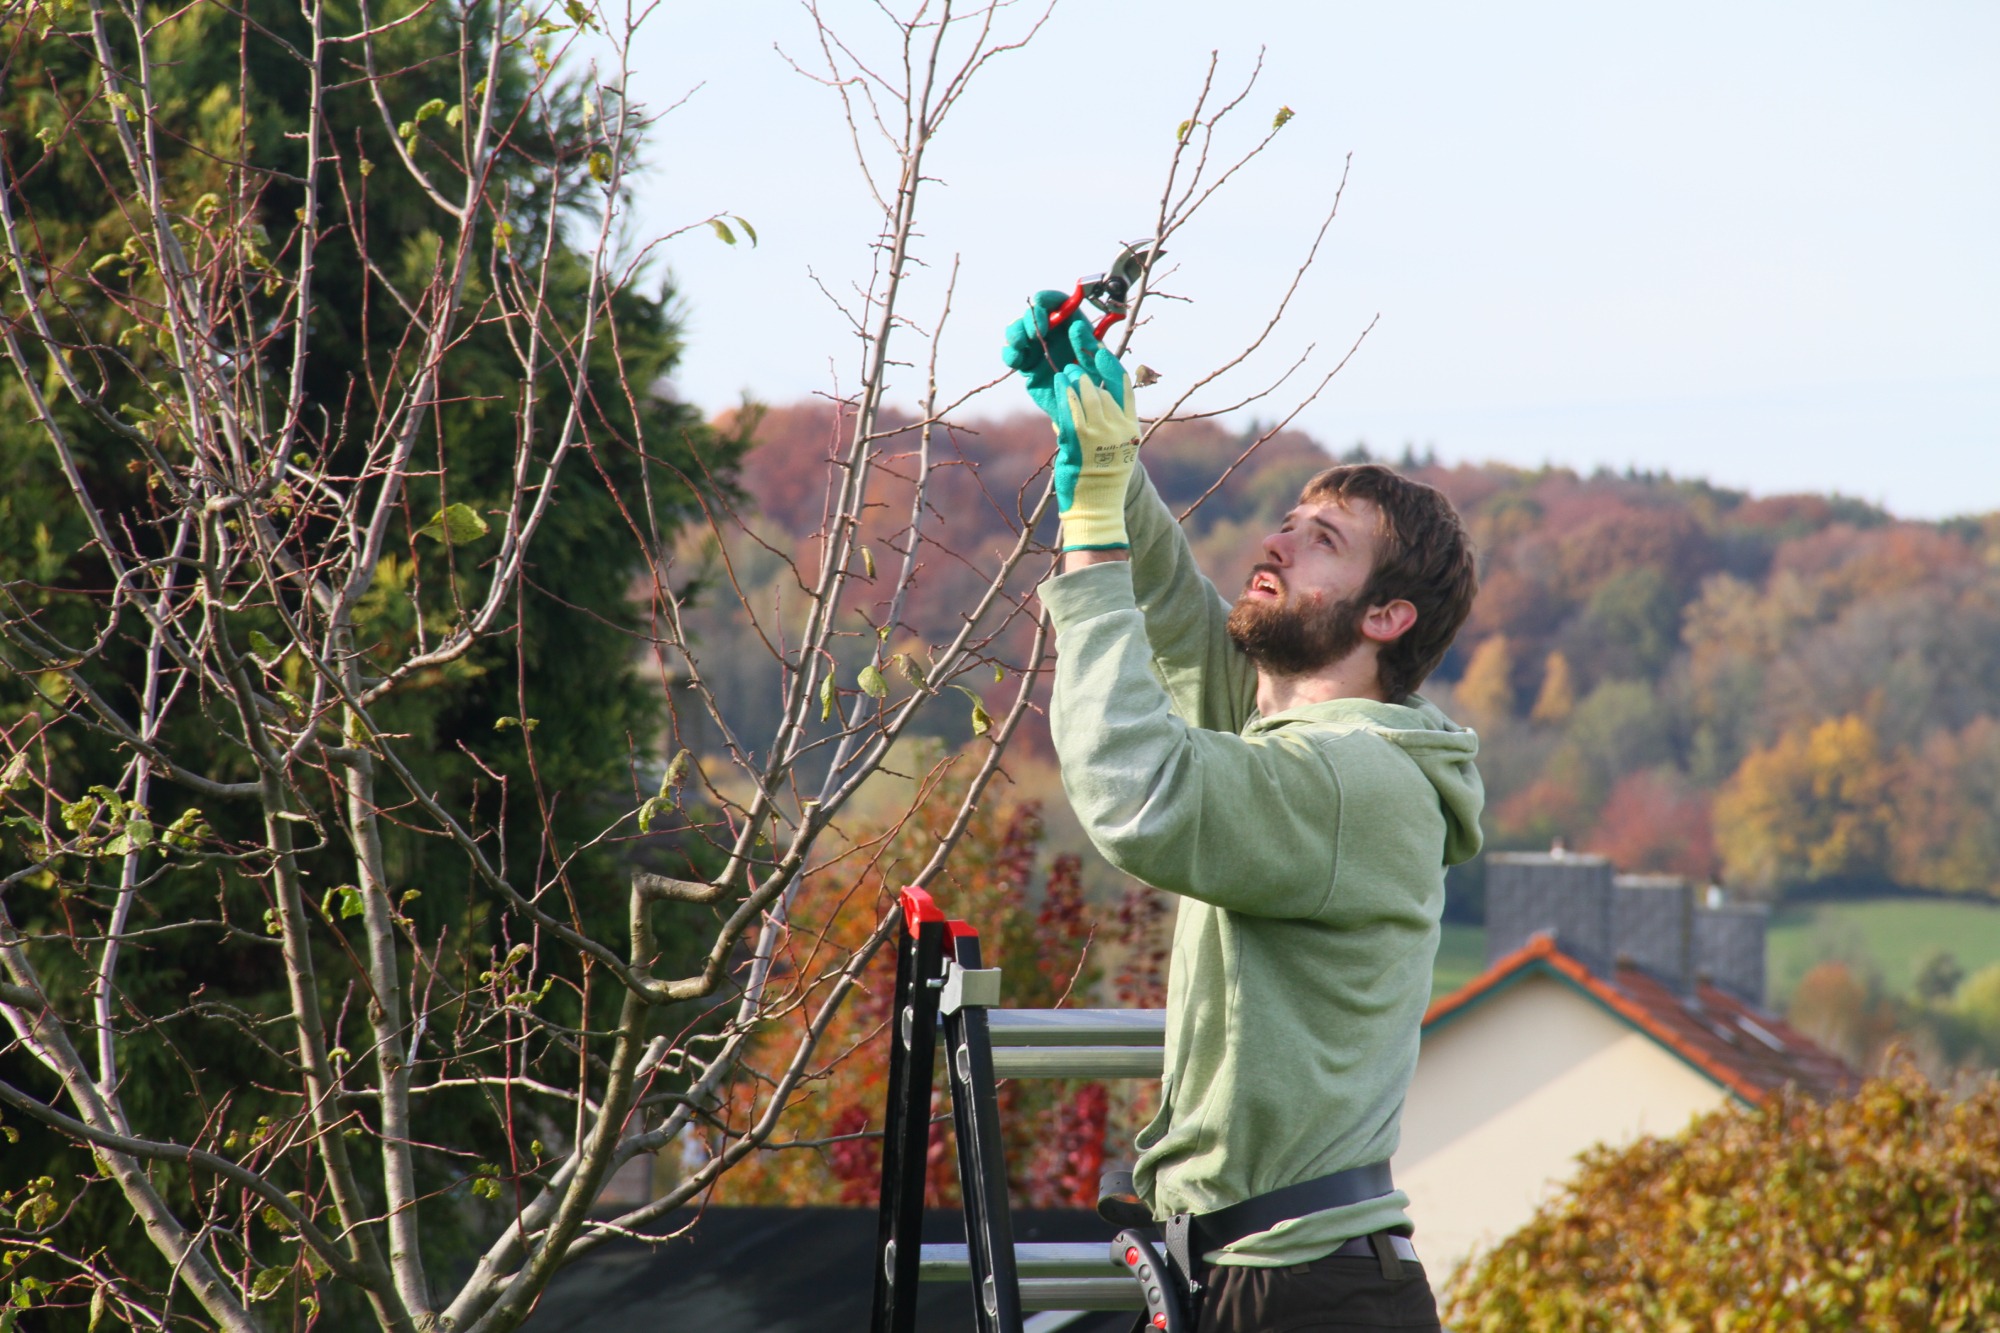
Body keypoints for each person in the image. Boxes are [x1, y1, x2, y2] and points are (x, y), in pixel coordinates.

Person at [1003, 293, 1485, 1333]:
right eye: (1285, 521)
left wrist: (1090, 524)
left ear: (1383, 615)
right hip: (1247, 1276)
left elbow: (1143, 795)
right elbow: (1184, 624)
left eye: (1319, 541)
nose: (1275, 542)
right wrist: (1106, 456)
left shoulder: (1357, 785)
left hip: (1302, 1293)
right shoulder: (1293, 740)